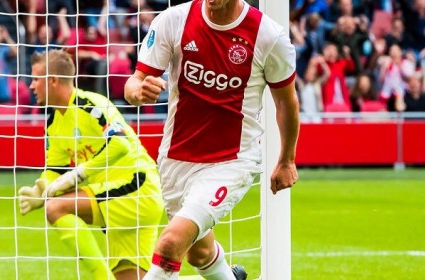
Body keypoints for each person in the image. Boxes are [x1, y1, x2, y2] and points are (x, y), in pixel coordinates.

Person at [124, 0, 299, 279]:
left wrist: (286, 160)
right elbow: (135, 81)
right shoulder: (173, 20)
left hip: (231, 162)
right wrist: (138, 92)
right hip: (175, 159)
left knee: (171, 243)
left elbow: (286, 103)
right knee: (199, 253)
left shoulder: (269, 36)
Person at [18, 50, 165, 280]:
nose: (31, 85)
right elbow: (55, 170)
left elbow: (120, 145)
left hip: (137, 188)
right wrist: (41, 189)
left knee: (56, 208)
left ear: (53, 80)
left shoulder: (91, 105)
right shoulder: (54, 123)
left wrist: (78, 175)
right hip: (116, 199)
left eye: (35, 78)